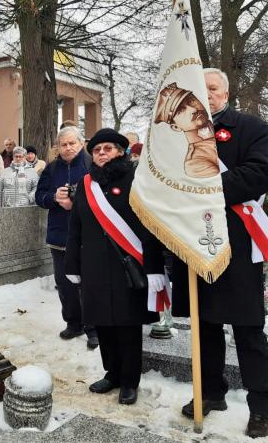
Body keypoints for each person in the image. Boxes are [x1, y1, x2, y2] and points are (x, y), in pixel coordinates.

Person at [171, 68, 268, 438]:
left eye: (212, 88)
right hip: (194, 240)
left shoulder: (251, 128)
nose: (206, 94)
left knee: (248, 330)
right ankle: (211, 393)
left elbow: (260, 172)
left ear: (225, 93)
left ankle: (262, 405)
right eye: (200, 89)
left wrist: (203, 185)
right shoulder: (178, 135)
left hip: (238, 244)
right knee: (205, 325)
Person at [65, 128, 164, 406]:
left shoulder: (136, 180)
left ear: (121, 151)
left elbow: (150, 226)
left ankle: (130, 381)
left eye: (108, 148)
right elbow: (76, 227)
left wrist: (155, 267)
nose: (101, 154)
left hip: (129, 265)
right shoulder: (86, 185)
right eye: (96, 150)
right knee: (103, 323)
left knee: (127, 324)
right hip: (94, 266)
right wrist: (72, 264)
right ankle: (112, 373)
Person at [35, 126, 97, 348]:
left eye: (72, 143)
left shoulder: (92, 165)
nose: (68, 147)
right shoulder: (51, 169)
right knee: (64, 282)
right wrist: (53, 197)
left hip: (88, 236)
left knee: (89, 283)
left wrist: (76, 202)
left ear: (81, 143)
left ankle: (93, 327)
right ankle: (73, 323)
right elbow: (38, 197)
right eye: (64, 144)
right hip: (60, 234)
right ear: (58, 147)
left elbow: (103, 198)